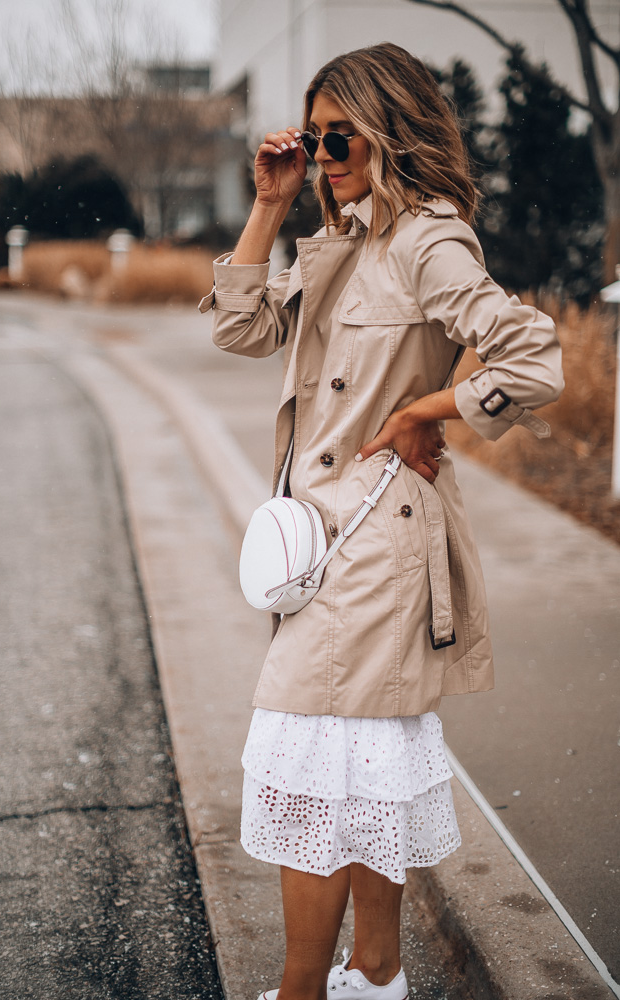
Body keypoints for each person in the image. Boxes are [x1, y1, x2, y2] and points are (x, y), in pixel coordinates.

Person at [199, 42, 563, 1000]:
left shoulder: (425, 242)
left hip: (375, 542)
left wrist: (424, 413)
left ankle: (304, 990)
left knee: (316, 764)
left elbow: (532, 360)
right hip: (332, 544)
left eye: (336, 137)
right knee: (349, 777)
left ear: (389, 132)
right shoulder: (347, 239)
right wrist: (270, 206)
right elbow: (239, 327)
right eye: (312, 138)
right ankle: (373, 976)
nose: (320, 155)